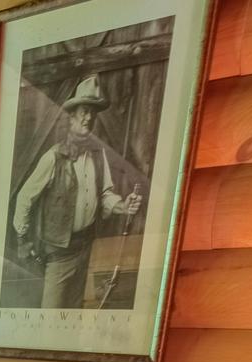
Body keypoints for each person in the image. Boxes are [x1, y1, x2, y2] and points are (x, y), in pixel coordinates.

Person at [10, 74, 149, 309]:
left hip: (87, 249)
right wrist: (23, 239)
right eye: (84, 111)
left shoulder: (98, 154)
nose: (89, 118)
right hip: (58, 255)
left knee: (75, 312)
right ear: (71, 117)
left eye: (93, 113)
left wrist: (123, 206)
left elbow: (105, 194)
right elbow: (25, 198)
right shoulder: (53, 157)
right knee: (50, 315)